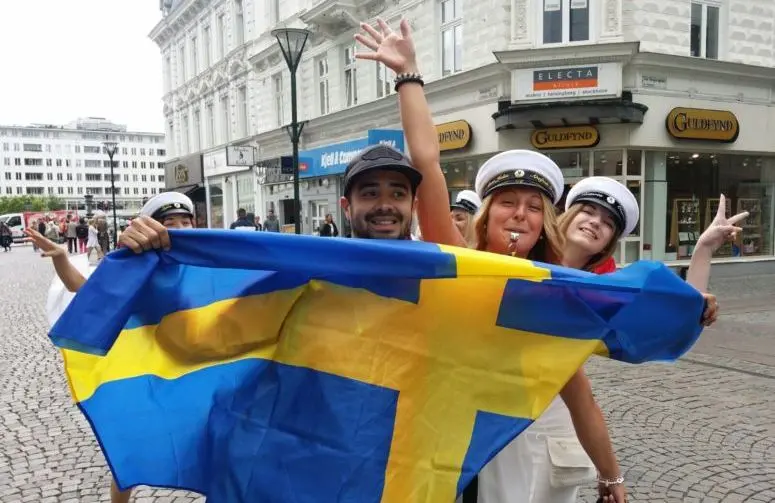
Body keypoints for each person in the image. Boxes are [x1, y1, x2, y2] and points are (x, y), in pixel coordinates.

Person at [354, 18, 720, 503]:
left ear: (544, 223)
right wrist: (409, 75)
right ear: (485, 214)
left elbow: (581, 394)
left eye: (533, 208)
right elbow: (427, 164)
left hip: (502, 457)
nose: (519, 215)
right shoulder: (456, 259)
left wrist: (690, 303)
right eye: (507, 202)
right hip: (433, 443)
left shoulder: (554, 298)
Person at [28, 191, 197, 503]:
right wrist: (62, 258)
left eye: (185, 221)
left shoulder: (207, 261)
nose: (179, 228)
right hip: (150, 373)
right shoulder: (139, 268)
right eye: (169, 222)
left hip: (196, 371)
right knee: (130, 457)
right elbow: (87, 290)